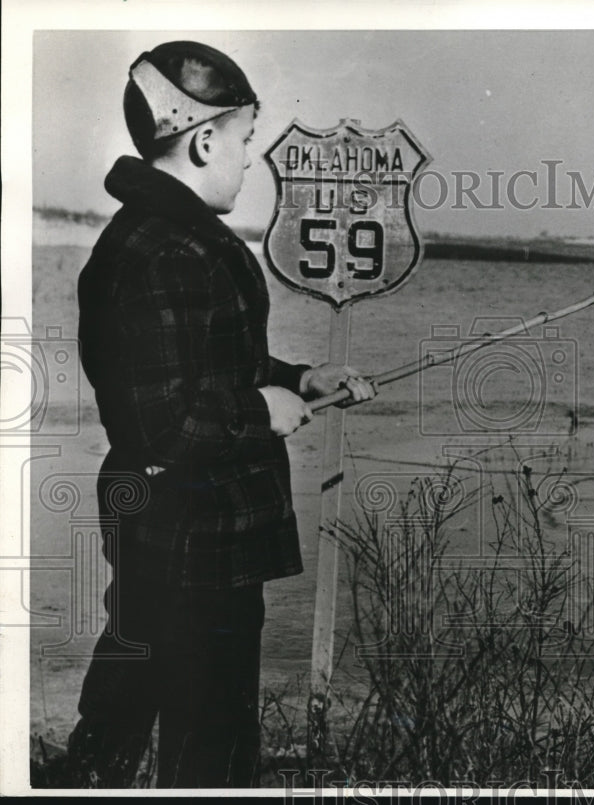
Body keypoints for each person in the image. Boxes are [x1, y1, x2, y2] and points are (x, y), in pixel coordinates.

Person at [65, 40, 376, 788]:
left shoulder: (160, 236)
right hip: (194, 539)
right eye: (242, 142)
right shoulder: (169, 248)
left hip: (171, 532)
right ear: (205, 140)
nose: (247, 162)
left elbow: (204, 368)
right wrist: (260, 413)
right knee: (214, 739)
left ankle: (81, 779)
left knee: (128, 696)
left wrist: (298, 379)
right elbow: (164, 422)